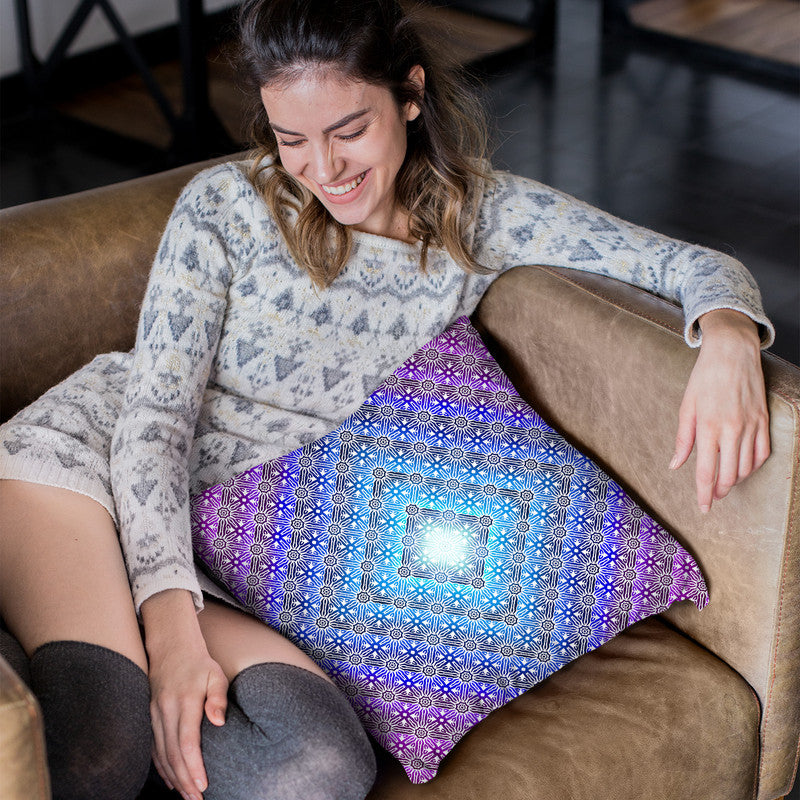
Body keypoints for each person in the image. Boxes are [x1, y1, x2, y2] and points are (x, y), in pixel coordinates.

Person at [0, 1, 774, 798]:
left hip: (238, 543)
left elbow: (689, 264)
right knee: (103, 751)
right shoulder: (226, 205)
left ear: (410, 94)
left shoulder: (484, 217)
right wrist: (169, 639)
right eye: (291, 139)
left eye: (348, 130)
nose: (323, 168)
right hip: (90, 469)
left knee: (318, 770)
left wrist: (727, 334)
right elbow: (154, 423)